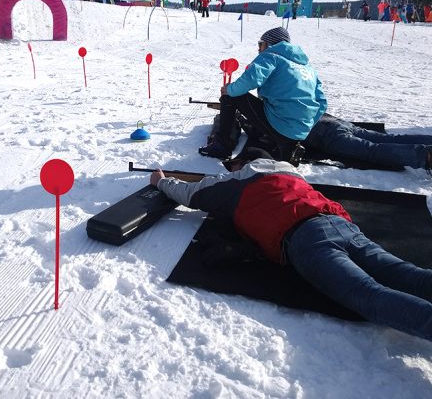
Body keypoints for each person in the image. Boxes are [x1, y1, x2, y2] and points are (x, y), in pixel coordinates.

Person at [150, 153, 432, 342]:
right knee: (408, 274)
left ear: (244, 165)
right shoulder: (293, 176)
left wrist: (161, 181)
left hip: (306, 239)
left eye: (233, 166)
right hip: (341, 225)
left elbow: (191, 193)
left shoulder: (236, 184)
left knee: (367, 295)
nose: (230, 170)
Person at [199, 27, 327, 162]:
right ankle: (283, 141)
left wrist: (229, 89)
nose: (259, 49)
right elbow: (322, 103)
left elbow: (251, 79)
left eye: (261, 44)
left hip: (281, 126)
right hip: (301, 132)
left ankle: (222, 146)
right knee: (268, 105)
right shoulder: (308, 68)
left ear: (270, 44)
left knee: (230, 95)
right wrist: (304, 126)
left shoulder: (271, 55)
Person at [305, 114, 432, 173]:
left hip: (326, 134)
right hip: (334, 121)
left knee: (371, 150)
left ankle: (426, 156)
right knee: (388, 138)